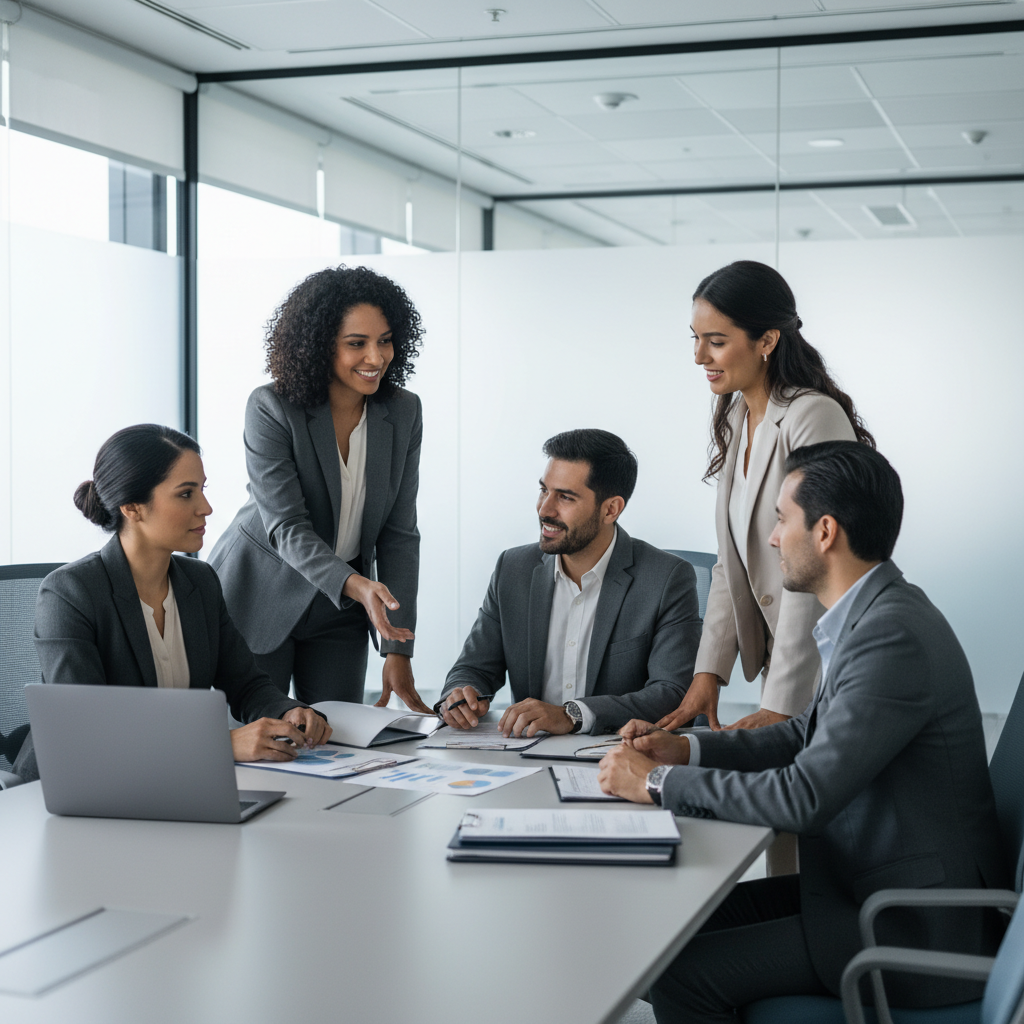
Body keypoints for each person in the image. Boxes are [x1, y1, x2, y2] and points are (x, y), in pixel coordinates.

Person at [597, 441, 1008, 1022]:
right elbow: (801, 739)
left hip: (912, 924)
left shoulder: (891, 635)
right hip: (865, 886)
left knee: (681, 975)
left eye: (781, 520)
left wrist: (658, 783)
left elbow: (805, 795)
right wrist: (686, 749)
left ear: (825, 532)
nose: (771, 539)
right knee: (671, 925)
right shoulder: (871, 614)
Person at [18, 425, 331, 784]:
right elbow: (87, 731)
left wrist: (290, 711)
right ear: (132, 507)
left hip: (173, 781)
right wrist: (220, 744)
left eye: (202, 489)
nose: (206, 508)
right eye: (186, 494)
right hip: (76, 788)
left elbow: (245, 683)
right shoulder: (69, 594)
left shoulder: (200, 581)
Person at [658, 261, 875, 736]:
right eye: (694, 338)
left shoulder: (812, 416)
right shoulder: (738, 419)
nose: (699, 356)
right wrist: (707, 673)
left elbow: (821, 555)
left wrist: (783, 702)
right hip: (785, 657)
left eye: (716, 341)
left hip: (824, 657)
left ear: (767, 340)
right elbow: (730, 561)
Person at [208, 265, 431, 712]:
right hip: (260, 594)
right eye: (356, 344)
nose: (376, 357)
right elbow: (288, 526)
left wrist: (398, 649)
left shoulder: (402, 411)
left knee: (340, 741)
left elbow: (399, 535)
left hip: (342, 607)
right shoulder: (272, 407)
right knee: (260, 742)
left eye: (385, 340)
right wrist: (355, 584)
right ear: (318, 346)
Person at [437, 429, 702, 737]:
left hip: (616, 755)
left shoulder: (667, 579)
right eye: (543, 491)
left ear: (610, 509)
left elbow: (672, 693)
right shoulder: (513, 569)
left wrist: (573, 715)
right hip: (525, 756)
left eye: (565, 497)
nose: (544, 509)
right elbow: (473, 667)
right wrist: (460, 694)